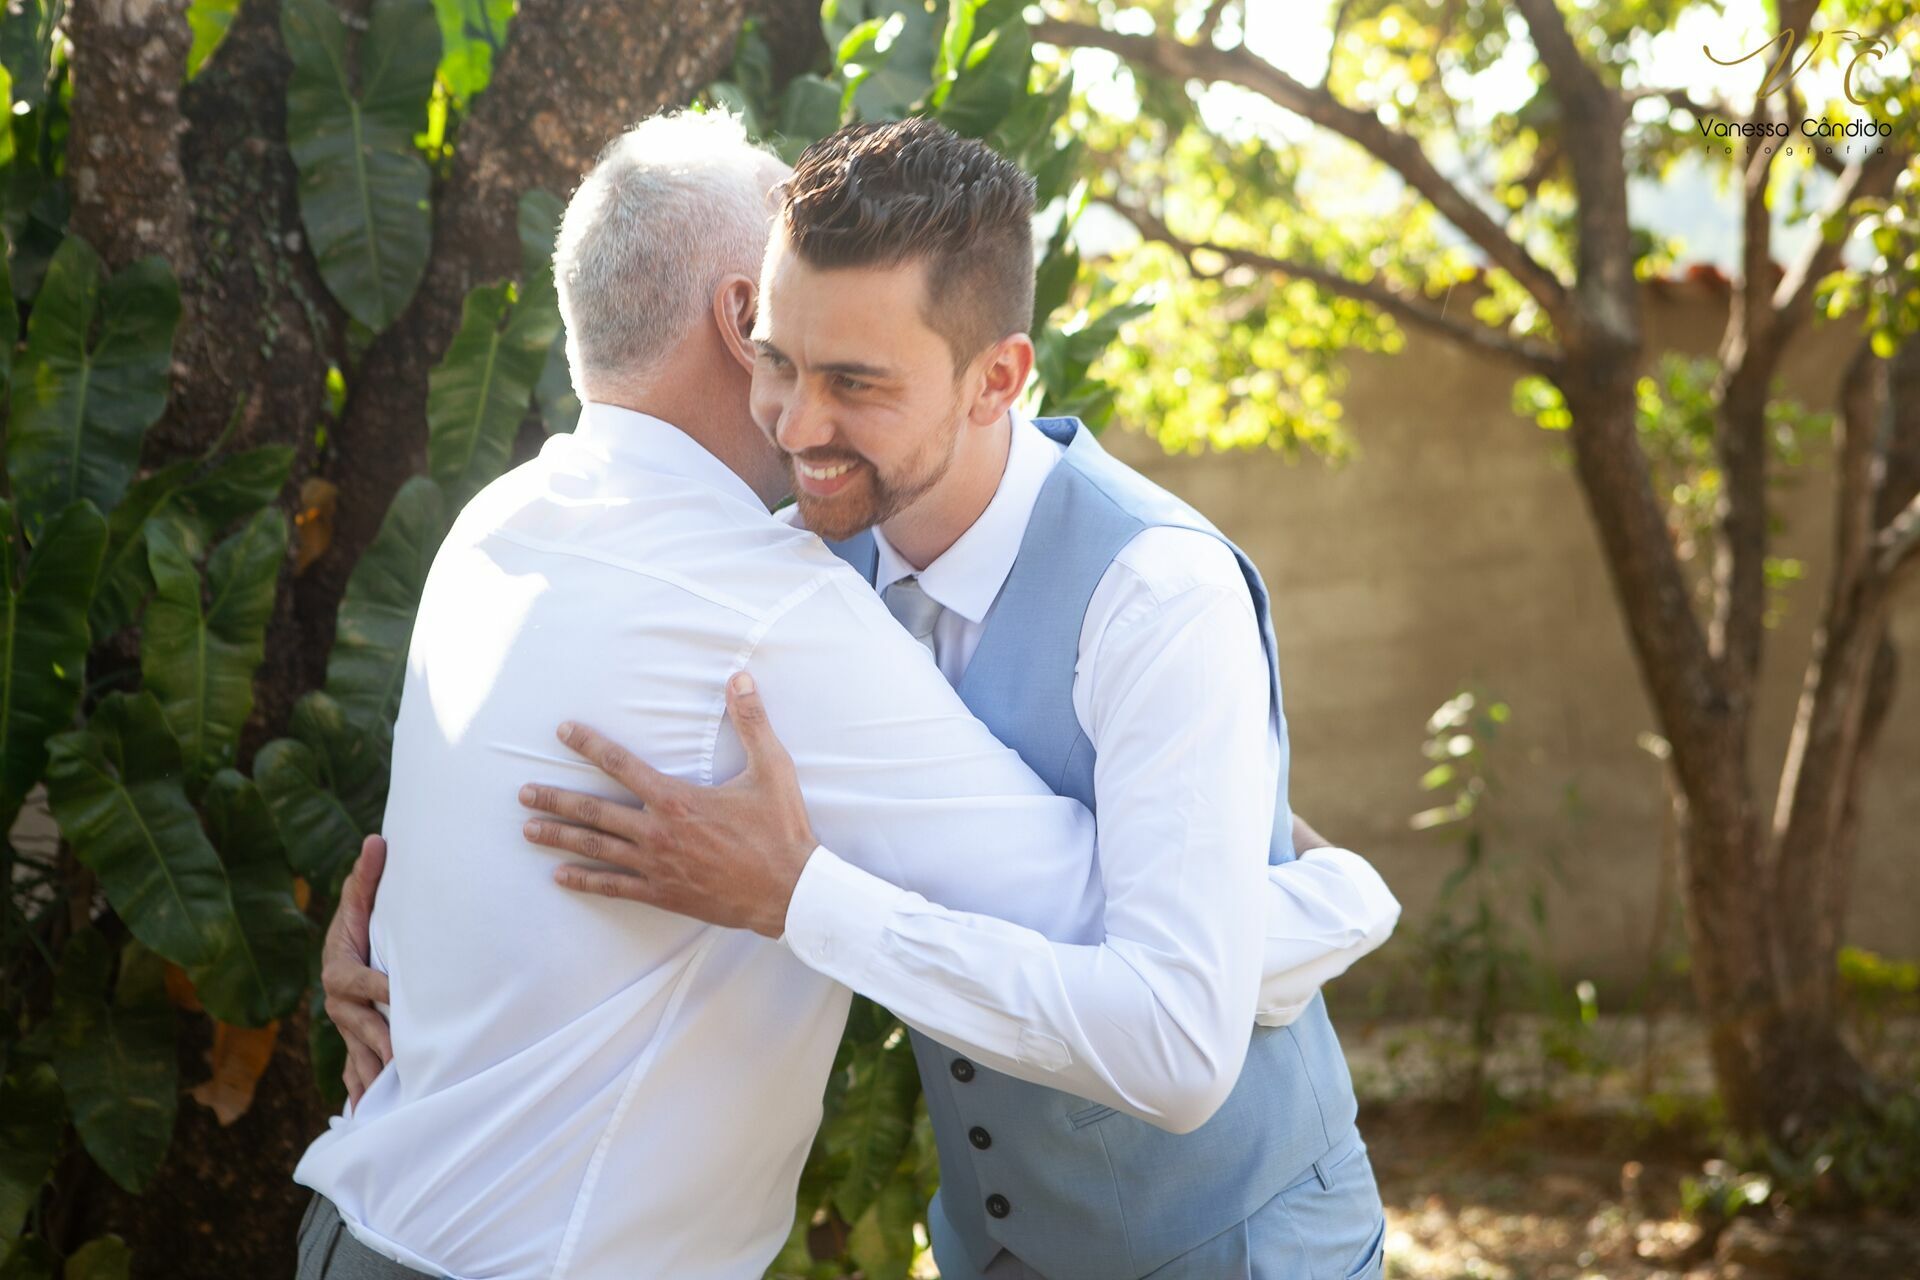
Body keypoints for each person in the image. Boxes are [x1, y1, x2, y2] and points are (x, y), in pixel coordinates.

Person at [301, 112, 1396, 1280]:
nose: (801, 422)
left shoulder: (1154, 589)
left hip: (1237, 1242)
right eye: (781, 359)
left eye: (854, 380)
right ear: (743, 320)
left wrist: (798, 897)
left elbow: (1176, 1020)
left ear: (998, 379)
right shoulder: (807, 569)